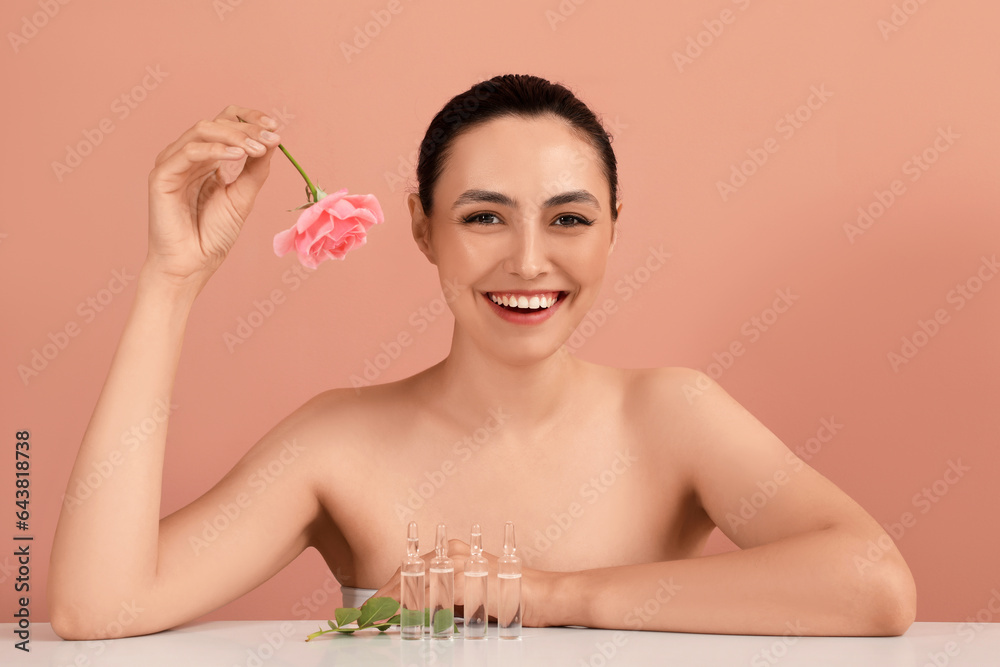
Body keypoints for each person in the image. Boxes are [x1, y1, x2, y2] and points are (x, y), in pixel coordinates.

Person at [48, 74, 916, 640]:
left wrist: (547, 595)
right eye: (484, 216)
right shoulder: (337, 442)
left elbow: (874, 584)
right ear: (422, 226)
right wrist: (173, 279)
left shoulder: (672, 416)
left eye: (570, 218)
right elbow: (96, 606)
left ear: (615, 232)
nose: (531, 261)